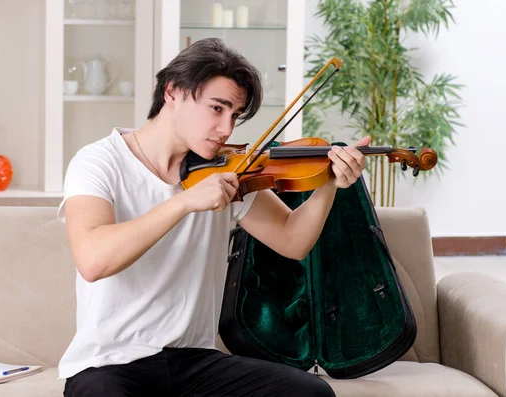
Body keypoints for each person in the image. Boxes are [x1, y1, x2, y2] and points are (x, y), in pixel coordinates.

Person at [57, 37, 369, 397]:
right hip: (108, 365)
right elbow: (94, 260)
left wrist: (328, 183)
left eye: (235, 115)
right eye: (217, 109)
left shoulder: (225, 172)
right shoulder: (99, 162)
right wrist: (183, 202)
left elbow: (292, 240)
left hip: (194, 361)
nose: (227, 130)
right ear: (173, 92)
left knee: (312, 394)